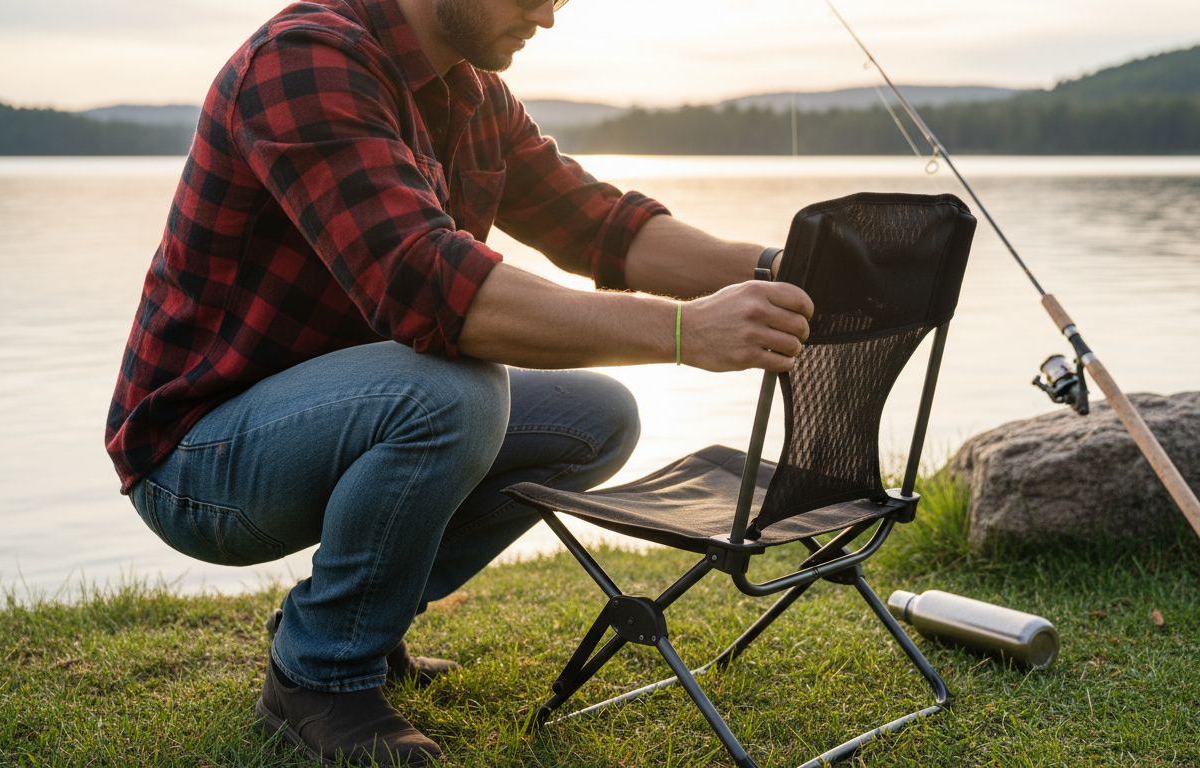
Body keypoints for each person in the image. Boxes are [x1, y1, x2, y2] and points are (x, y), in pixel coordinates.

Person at [105, 0, 812, 764]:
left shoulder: (471, 91)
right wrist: (683, 331)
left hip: (346, 413)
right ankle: (320, 674)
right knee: (456, 395)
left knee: (596, 415)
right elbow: (428, 285)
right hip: (199, 458)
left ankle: (356, 622)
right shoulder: (303, 60)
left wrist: (791, 269)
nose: (548, 13)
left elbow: (601, 226)